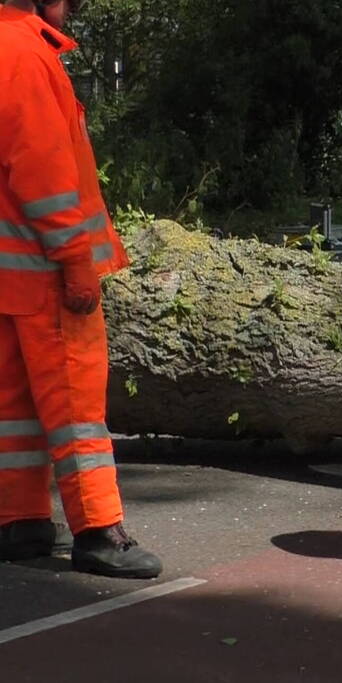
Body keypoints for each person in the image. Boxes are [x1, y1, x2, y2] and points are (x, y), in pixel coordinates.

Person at [0, 0, 162, 578]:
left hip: (7, 271)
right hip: (45, 269)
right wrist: (75, 261)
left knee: (13, 409)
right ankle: (98, 530)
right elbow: (42, 168)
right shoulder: (24, 52)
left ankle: (19, 521)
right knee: (75, 405)